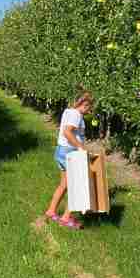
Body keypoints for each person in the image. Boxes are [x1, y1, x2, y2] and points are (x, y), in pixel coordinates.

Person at [44, 91, 94, 230]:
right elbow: (67, 131)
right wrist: (80, 147)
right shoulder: (76, 115)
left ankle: (51, 211)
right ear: (84, 104)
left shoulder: (68, 111)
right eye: (89, 107)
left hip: (61, 151)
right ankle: (66, 218)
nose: (90, 110)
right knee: (76, 187)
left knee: (64, 184)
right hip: (70, 153)